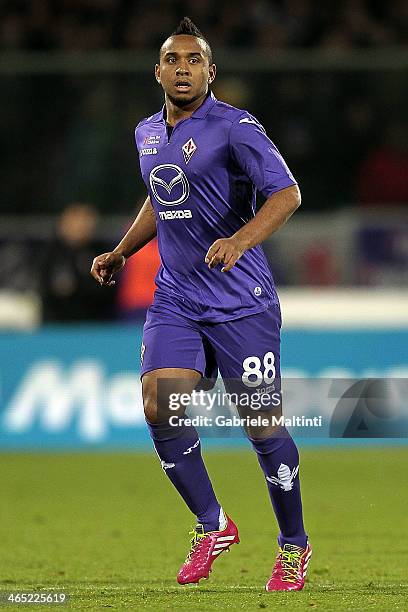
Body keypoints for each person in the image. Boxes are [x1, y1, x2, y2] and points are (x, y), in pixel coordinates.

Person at [91, 17, 311, 592]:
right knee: (158, 402)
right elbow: (160, 196)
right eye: (172, 59)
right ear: (157, 70)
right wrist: (120, 251)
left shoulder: (235, 127)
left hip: (242, 303)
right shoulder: (145, 132)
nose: (182, 68)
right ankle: (213, 524)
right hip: (177, 298)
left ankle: (293, 545)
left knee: (262, 427)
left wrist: (239, 241)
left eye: (193, 60)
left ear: (211, 73)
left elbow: (286, 194)